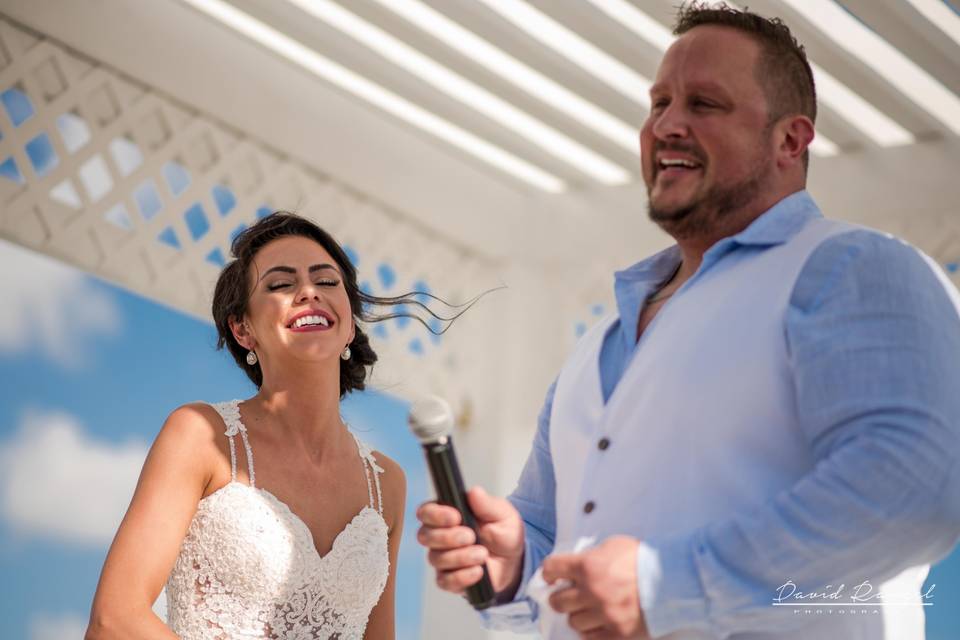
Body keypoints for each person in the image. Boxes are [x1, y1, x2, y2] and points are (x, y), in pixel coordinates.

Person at [417, 3, 960, 639]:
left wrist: (666, 586)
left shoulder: (854, 268)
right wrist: (512, 562)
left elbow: (916, 490)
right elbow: (544, 531)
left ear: (791, 139)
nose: (668, 124)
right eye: (658, 104)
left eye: (704, 104)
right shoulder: (600, 341)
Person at [86, 213, 411, 639]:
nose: (309, 292)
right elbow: (115, 619)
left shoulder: (386, 485)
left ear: (349, 321)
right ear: (243, 329)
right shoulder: (199, 435)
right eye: (280, 285)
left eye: (327, 281)